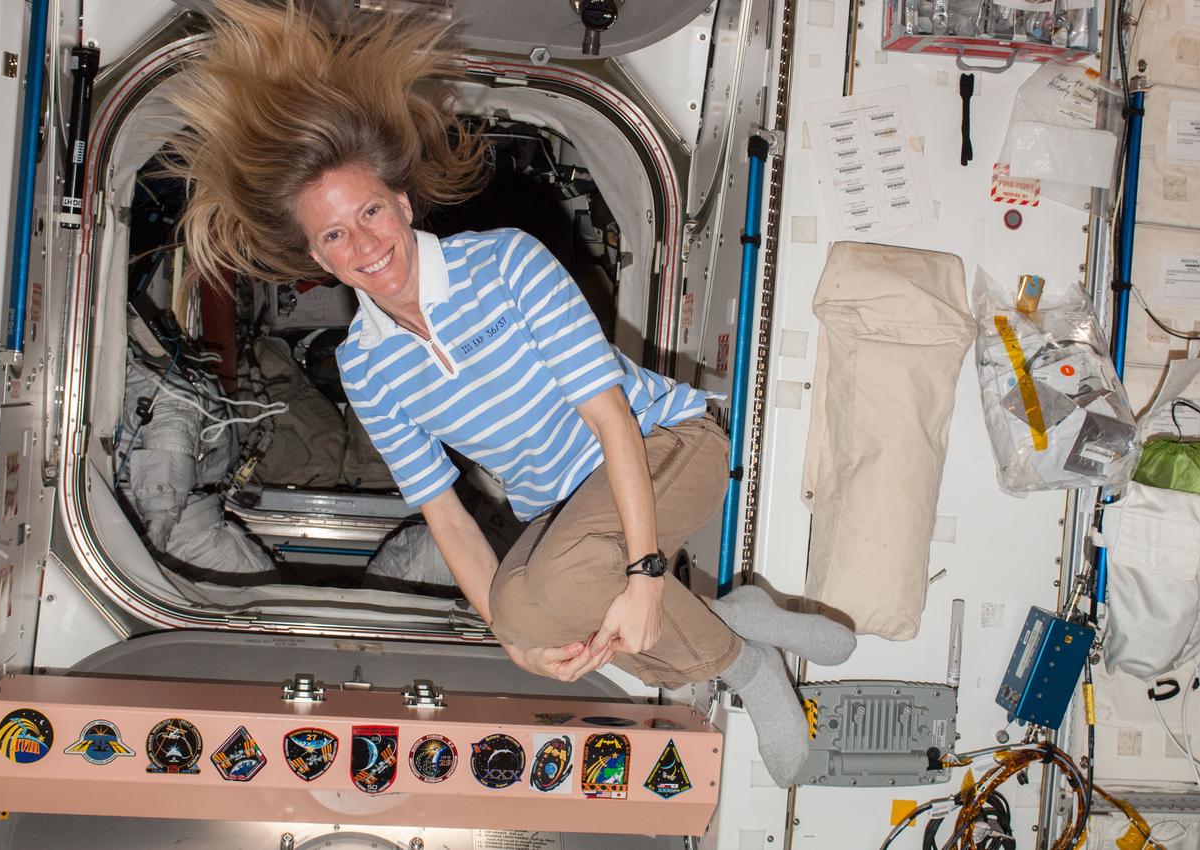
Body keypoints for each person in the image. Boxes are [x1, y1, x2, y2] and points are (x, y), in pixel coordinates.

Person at [167, 0, 856, 787]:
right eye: (333, 235)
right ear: (317, 258)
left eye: (369, 211)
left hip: (664, 445)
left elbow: (610, 419)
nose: (363, 243)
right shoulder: (366, 365)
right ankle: (733, 622)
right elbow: (447, 516)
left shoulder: (504, 264)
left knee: (571, 583)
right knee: (524, 613)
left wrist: (644, 574)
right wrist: (515, 644)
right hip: (563, 514)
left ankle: (745, 663)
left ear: (401, 202)